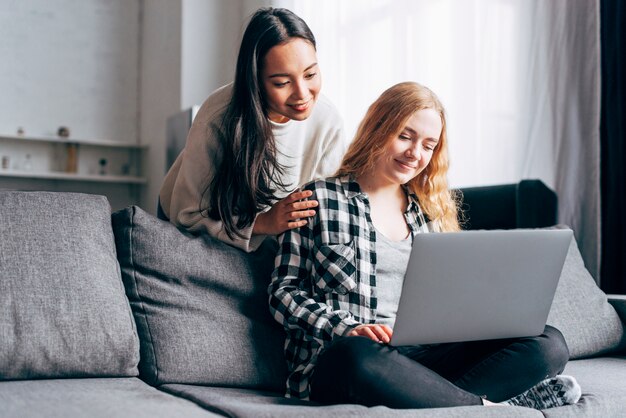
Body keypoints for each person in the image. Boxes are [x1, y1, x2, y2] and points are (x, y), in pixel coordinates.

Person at [268, 82, 582, 409]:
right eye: (405, 136)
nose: (415, 154)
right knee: (351, 356)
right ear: (377, 128)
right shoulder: (316, 198)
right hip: (354, 357)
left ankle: (452, 405)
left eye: (428, 145)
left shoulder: (429, 214)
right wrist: (347, 328)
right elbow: (282, 291)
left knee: (548, 341)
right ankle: (492, 410)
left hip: (424, 359)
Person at [159, 7, 347, 252]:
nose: (302, 94)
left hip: (261, 232)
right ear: (255, 80)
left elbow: (322, 214)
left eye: (310, 74)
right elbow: (188, 217)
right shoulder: (217, 116)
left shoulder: (328, 121)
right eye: (282, 82)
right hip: (187, 218)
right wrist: (264, 222)